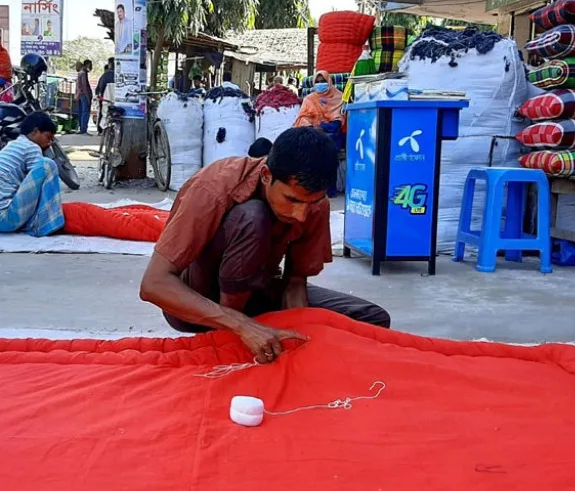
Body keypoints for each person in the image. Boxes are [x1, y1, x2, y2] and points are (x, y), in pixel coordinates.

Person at [140, 127, 390, 362]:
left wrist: (300, 338)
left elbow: (295, 283)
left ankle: (264, 339)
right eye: (292, 200)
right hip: (201, 300)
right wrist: (241, 326)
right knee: (252, 217)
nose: (301, 215)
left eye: (312, 203)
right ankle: (228, 340)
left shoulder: (315, 204)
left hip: (258, 289)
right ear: (266, 175)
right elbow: (154, 284)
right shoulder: (213, 188)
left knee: (371, 320)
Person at [0, 112, 65, 238]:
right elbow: (41, 188)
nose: (49, 143)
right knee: (47, 165)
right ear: (35, 132)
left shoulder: (16, 145)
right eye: (48, 137)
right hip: (6, 217)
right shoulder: (32, 147)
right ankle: (46, 224)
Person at [95, 59, 115, 131]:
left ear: (110, 64)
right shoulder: (120, 75)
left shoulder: (105, 75)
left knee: (103, 113)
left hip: (106, 99)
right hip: (117, 99)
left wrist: (99, 94)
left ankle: (101, 129)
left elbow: (100, 88)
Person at [77, 60, 93, 135]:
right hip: (84, 95)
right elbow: (84, 86)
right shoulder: (84, 73)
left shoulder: (80, 73)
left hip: (79, 95)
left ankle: (81, 128)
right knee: (85, 112)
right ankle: (84, 129)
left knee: (81, 112)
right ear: (88, 65)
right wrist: (88, 97)